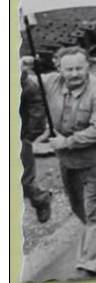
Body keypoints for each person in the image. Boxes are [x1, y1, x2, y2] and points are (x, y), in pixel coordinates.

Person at [35, 46, 96, 278]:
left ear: (88, 67)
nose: (74, 74)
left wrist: (68, 141)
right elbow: (21, 84)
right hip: (68, 162)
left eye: (79, 68)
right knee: (78, 207)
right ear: (59, 68)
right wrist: (20, 68)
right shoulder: (51, 83)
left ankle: (88, 265)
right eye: (69, 69)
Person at [18, 60, 52, 223]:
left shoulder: (23, 83)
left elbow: (37, 106)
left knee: (23, 180)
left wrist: (31, 133)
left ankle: (41, 199)